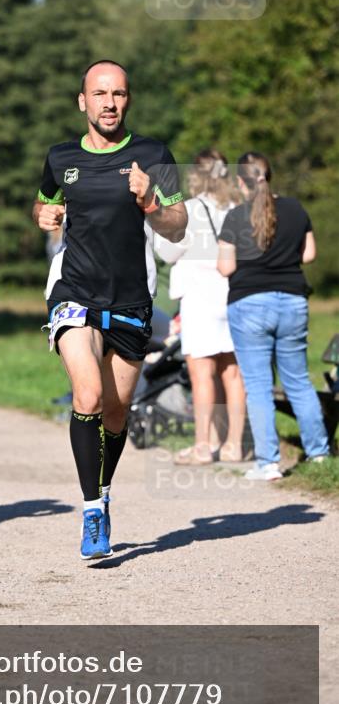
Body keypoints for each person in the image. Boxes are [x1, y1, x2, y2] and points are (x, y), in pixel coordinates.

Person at [33, 60, 187, 559]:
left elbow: (178, 225)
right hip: (74, 291)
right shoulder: (59, 158)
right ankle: (91, 511)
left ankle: (103, 491)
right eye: (99, 94)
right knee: (88, 392)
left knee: (116, 413)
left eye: (118, 94)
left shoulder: (153, 154)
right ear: (82, 102)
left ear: (128, 100)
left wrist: (149, 202)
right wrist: (44, 214)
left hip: (131, 299)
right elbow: (45, 205)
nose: (109, 103)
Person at [217, 152, 330, 480]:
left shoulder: (236, 216)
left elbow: (226, 267)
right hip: (293, 301)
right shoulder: (295, 209)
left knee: (259, 385)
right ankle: (319, 453)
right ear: (270, 175)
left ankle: (267, 463)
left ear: (241, 182)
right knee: (298, 381)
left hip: (249, 304)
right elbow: (308, 254)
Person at [154, 150, 247, 464]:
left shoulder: (190, 210)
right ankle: (233, 444)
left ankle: (203, 446)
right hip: (233, 296)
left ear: (195, 176)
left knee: (202, 374)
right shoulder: (238, 209)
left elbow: (168, 252)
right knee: (232, 373)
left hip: (199, 299)